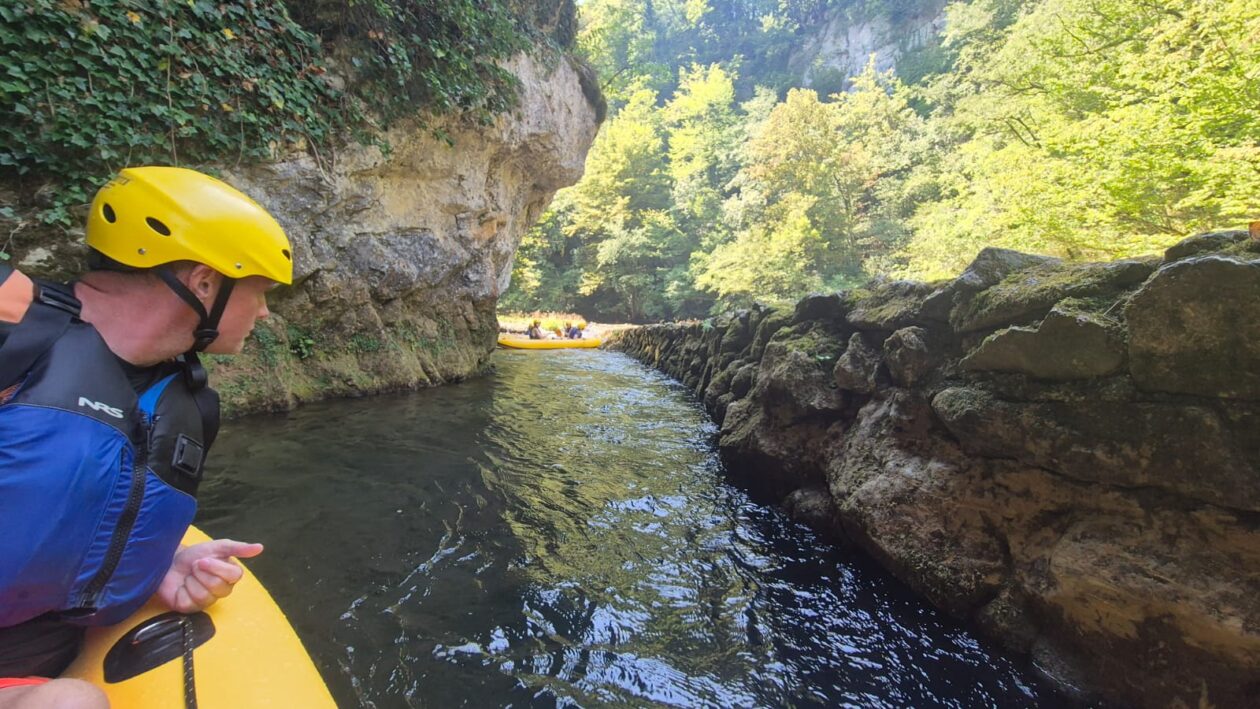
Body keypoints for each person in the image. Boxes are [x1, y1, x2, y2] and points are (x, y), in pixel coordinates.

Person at [0, 166, 294, 707]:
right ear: (204, 283)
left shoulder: (192, 407)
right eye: (260, 291)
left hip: (33, 665)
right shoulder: (14, 329)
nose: (264, 311)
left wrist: (156, 567)